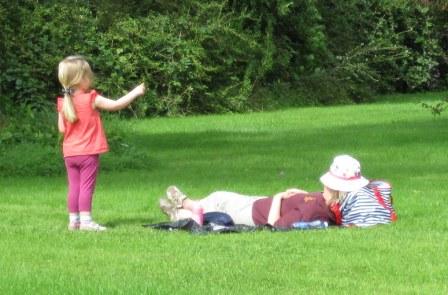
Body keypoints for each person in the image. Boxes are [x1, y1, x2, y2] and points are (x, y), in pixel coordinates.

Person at [57, 55, 146, 231]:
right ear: (81, 78)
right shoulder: (91, 98)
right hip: (88, 152)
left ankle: (73, 221)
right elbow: (115, 104)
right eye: (89, 75)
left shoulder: (63, 102)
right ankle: (86, 221)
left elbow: (61, 129)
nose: (91, 79)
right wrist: (135, 92)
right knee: (86, 187)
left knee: (74, 187)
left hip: (69, 153)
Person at [159, 155, 369, 228]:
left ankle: (183, 211)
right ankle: (187, 206)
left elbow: (275, 226)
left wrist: (278, 198)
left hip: (252, 213)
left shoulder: (314, 210)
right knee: (218, 197)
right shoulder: (324, 203)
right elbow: (310, 204)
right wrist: (300, 194)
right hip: (258, 203)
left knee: (218, 203)